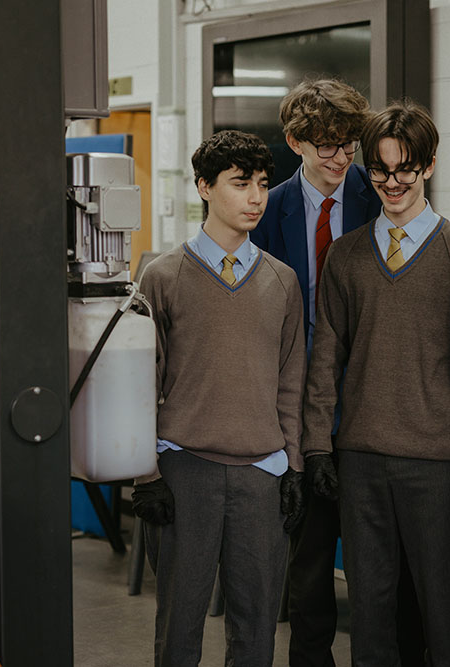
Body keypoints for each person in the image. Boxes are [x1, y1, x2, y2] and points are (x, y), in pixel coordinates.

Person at [301, 100, 450, 666]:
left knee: (443, 615)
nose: (391, 183)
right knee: (370, 614)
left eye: (404, 170)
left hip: (437, 465)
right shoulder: (346, 256)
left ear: (429, 167)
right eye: (379, 170)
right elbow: (324, 362)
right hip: (359, 461)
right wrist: (317, 447)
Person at [250, 78, 424, 667]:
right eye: (326, 146)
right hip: (303, 404)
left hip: (375, 396)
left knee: (386, 559)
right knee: (311, 558)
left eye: (349, 143)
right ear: (295, 141)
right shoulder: (269, 210)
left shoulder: (381, 193)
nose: (341, 158)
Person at [132, 129, 306, 666]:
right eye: (239, 184)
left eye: (261, 184)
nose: (255, 198)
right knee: (179, 627)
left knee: (256, 632)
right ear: (205, 187)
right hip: (185, 473)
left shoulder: (283, 281)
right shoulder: (160, 278)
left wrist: (293, 466)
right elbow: (141, 384)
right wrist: (146, 475)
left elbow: (291, 382)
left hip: (262, 476)